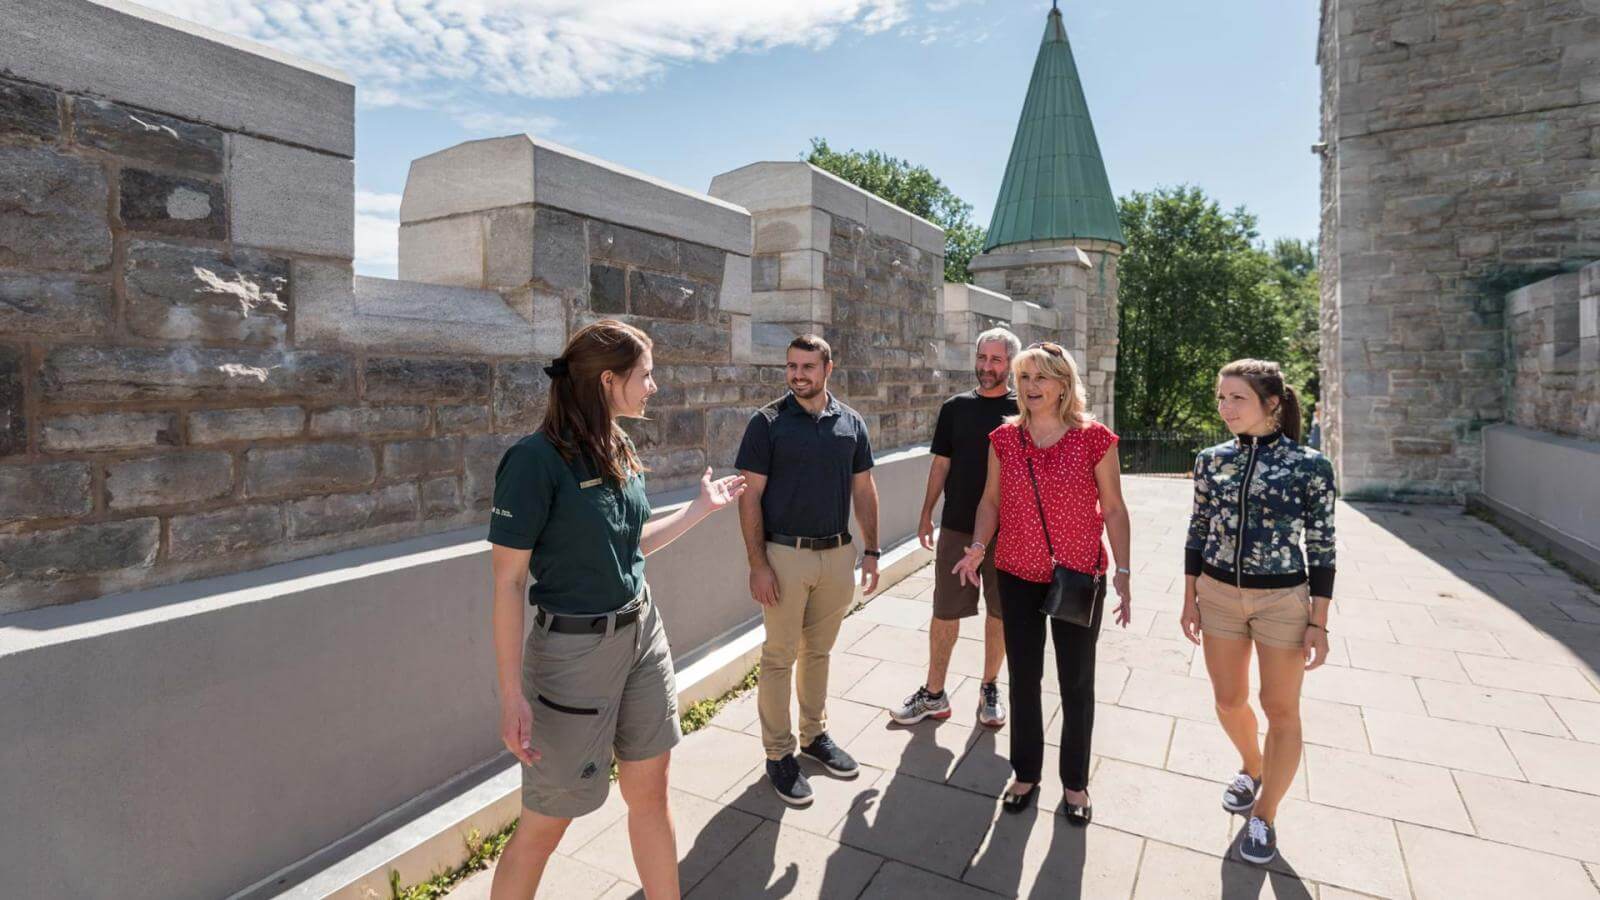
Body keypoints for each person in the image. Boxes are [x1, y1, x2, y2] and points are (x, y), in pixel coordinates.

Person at [487, 320, 746, 900]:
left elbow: (627, 547)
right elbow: (507, 585)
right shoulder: (532, 462)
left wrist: (698, 510)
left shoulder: (617, 445)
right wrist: (510, 696)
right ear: (609, 380)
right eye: (646, 375)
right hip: (572, 655)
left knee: (651, 792)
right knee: (546, 824)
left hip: (642, 634)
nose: (654, 386)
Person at [952, 341, 1132, 824]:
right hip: (1015, 572)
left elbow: (1114, 509)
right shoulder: (1004, 440)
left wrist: (1125, 572)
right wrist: (976, 546)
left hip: (1078, 575)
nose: (1031, 387)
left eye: (1041, 378)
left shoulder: (1096, 439)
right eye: (1024, 377)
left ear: (1062, 384)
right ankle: (1026, 773)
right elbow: (990, 502)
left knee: (1077, 682)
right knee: (1024, 678)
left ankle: (1075, 784)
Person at [1178, 358, 1336, 866]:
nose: (1225, 408)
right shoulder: (1210, 459)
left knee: (1281, 708)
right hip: (1218, 594)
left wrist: (1319, 621)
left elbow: (1323, 547)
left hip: (1282, 601)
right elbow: (1198, 530)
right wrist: (1189, 598)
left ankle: (1264, 815)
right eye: (1220, 398)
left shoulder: (1309, 465)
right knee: (1228, 700)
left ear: (1271, 403)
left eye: (1236, 398)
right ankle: (1253, 764)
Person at [736, 334, 880, 808]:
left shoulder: (851, 423)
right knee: (779, 656)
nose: (798, 374)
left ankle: (814, 737)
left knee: (818, 651)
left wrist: (872, 551)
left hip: (837, 555)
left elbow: (864, 491)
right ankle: (778, 754)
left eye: (807, 367)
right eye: (791, 366)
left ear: (828, 369)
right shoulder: (767, 423)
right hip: (784, 556)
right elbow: (749, 496)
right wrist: (758, 564)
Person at [895, 327, 1019, 727]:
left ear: (1011, 364)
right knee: (944, 610)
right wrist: (926, 512)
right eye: (982, 358)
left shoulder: (1025, 411)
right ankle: (934, 693)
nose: (986, 367)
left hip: (1009, 532)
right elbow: (941, 464)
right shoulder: (955, 408)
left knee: (1000, 612)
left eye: (996, 359)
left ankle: (989, 688)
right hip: (957, 527)